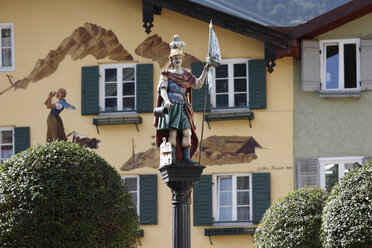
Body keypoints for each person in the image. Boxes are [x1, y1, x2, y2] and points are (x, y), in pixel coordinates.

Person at [154, 35, 209, 164]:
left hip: (183, 106)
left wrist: (205, 71)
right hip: (172, 106)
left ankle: (187, 157)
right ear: (171, 60)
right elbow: (162, 90)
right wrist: (166, 101)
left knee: (187, 132)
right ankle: (173, 158)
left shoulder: (186, 74)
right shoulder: (166, 74)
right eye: (175, 58)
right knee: (172, 133)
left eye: (179, 58)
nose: (178, 60)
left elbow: (198, 84)